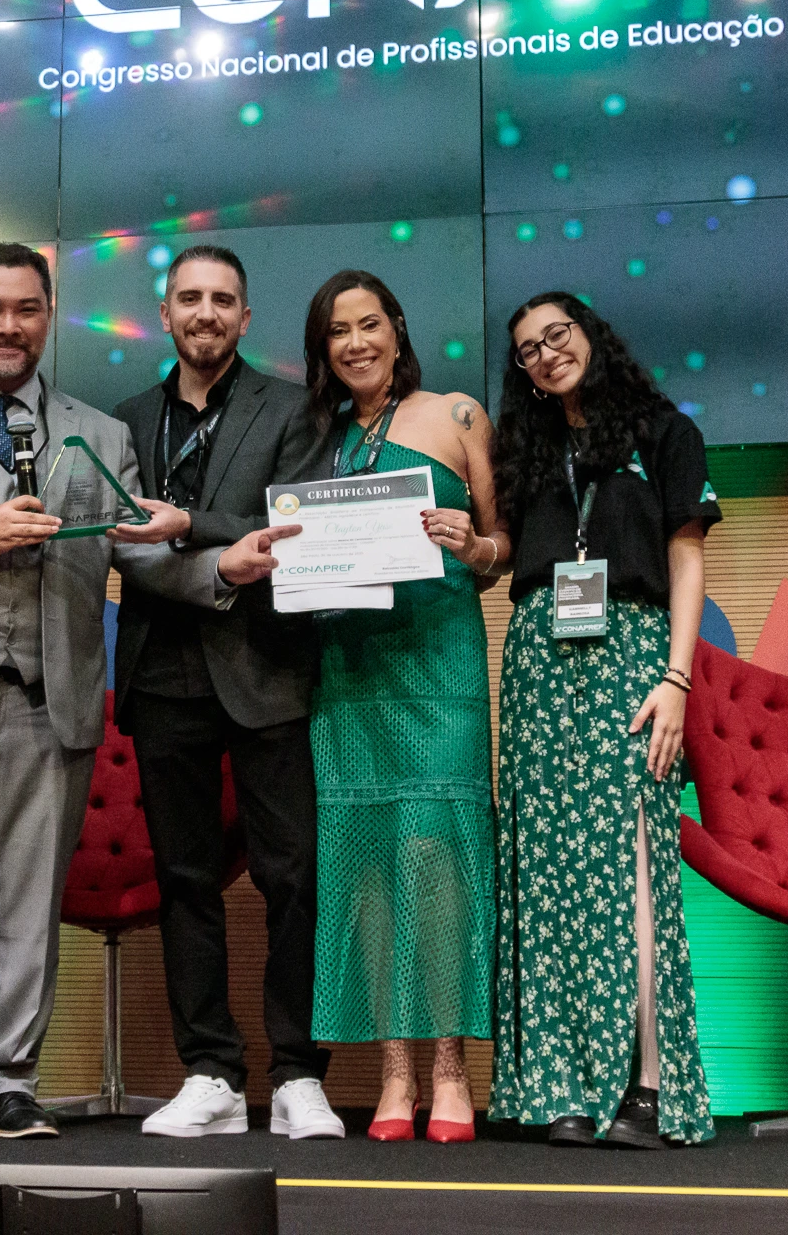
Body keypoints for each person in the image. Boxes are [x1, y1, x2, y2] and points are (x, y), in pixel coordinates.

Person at [0, 243, 284, 1145]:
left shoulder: (100, 433)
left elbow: (137, 555)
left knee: (28, 907)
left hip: (50, 704)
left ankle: (9, 1079)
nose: (9, 326)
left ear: (48, 318)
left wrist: (218, 571)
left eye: (27, 309)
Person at [110, 245, 343, 1140]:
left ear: (245, 318)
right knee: (185, 879)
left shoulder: (293, 407)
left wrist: (193, 524)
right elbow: (123, 539)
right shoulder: (128, 420)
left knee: (293, 874)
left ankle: (297, 1075)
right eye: (189, 298)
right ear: (165, 313)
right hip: (160, 670)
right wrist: (210, 545)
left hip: (265, 666)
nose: (205, 313)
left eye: (222, 300)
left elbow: (299, 522)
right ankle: (209, 1070)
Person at [487, 291, 721, 1149]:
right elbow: (501, 552)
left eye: (558, 334)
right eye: (528, 349)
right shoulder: (526, 448)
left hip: (634, 657)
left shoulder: (666, 432)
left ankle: (646, 1088)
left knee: (633, 866)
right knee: (545, 873)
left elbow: (686, 559)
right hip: (537, 662)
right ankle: (556, 1087)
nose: (547, 353)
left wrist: (676, 678)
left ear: (591, 336)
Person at [299, 269, 506, 1143]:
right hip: (350, 672)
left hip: (439, 659)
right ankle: (393, 1071)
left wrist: (475, 545)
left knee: (437, 854)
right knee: (372, 864)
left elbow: (504, 543)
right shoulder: (311, 435)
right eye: (338, 330)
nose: (356, 343)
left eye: (369, 324)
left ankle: (451, 1066)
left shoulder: (457, 415)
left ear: (397, 327)